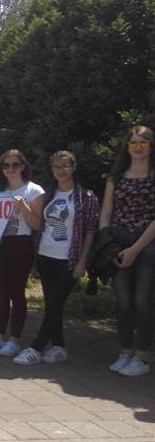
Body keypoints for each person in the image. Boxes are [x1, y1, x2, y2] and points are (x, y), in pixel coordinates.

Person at [14, 151, 98, 366]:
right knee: (53, 305)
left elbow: (90, 231)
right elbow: (39, 224)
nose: (61, 170)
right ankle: (59, 347)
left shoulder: (85, 197)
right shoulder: (49, 195)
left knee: (55, 303)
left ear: (73, 166)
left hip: (68, 259)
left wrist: (82, 262)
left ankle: (36, 347)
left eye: (65, 166)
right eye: (56, 167)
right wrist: (24, 207)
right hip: (45, 256)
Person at [98, 125, 155, 377]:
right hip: (118, 243)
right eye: (134, 143)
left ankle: (142, 356)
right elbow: (106, 213)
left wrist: (135, 249)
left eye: (144, 143)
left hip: (147, 243)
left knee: (143, 301)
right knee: (123, 301)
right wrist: (110, 245)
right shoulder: (116, 177)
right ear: (127, 147)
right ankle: (125, 351)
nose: (139, 148)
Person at [0, 149, 45, 357]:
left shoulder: (33, 190)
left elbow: (37, 224)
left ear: (23, 166)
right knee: (1, 292)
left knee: (17, 292)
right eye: (6, 166)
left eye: (15, 165)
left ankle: (15, 339)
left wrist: (24, 207)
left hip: (21, 244)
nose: (10, 169)